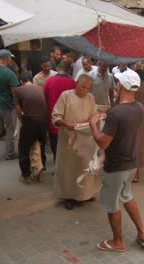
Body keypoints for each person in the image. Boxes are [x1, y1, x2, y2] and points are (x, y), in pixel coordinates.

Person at [89, 69, 144, 252]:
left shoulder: (117, 113)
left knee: (112, 203)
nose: (116, 84)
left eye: (118, 82)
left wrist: (93, 123)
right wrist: (110, 114)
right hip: (131, 163)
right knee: (127, 196)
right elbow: (124, 118)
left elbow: (102, 142)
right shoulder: (138, 107)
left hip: (116, 166)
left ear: (121, 85)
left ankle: (118, 242)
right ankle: (142, 234)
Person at [52, 74, 99, 210]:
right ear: (76, 83)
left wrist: (96, 119)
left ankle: (85, 194)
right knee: (69, 168)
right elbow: (55, 116)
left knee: (84, 166)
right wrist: (67, 124)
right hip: (68, 137)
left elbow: (94, 115)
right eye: (83, 86)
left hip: (86, 138)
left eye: (88, 88)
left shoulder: (91, 98)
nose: (85, 90)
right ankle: (69, 196)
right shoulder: (65, 95)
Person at [14, 72, 49, 183]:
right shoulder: (40, 88)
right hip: (43, 121)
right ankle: (40, 174)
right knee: (41, 147)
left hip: (30, 121)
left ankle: (26, 176)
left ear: (21, 82)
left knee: (23, 149)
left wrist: (23, 122)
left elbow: (18, 111)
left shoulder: (18, 90)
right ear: (31, 80)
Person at [44, 61, 76, 160]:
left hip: (53, 121)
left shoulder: (49, 81)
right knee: (68, 148)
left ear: (58, 68)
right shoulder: (72, 83)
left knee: (55, 148)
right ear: (68, 70)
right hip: (69, 122)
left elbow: (44, 99)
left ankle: (57, 168)